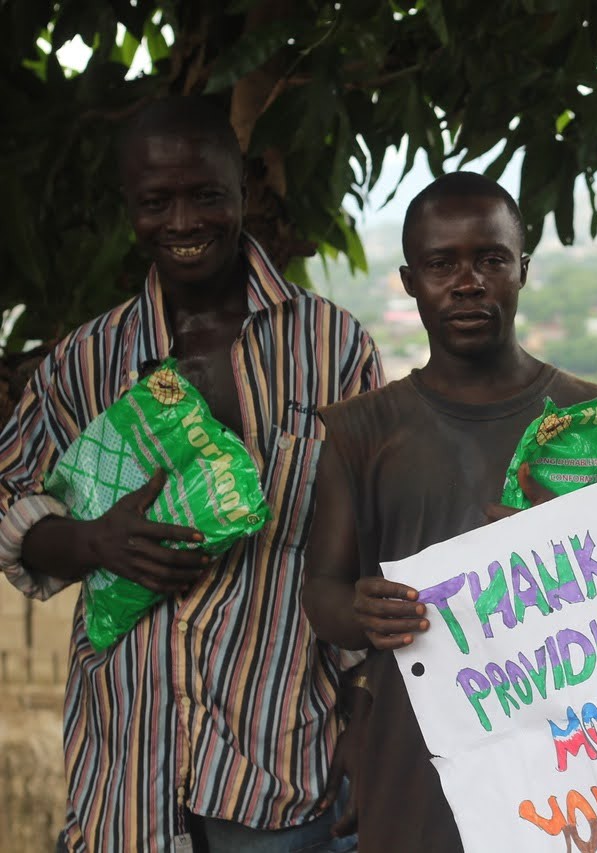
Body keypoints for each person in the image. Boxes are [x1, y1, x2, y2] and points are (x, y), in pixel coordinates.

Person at [0, 98, 381, 852]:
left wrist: (368, 719)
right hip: (126, 778)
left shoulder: (333, 346)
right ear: (128, 206)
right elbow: (11, 500)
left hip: (285, 775)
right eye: (156, 202)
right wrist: (91, 542)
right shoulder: (87, 361)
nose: (182, 222)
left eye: (206, 195)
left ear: (241, 190)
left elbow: (379, 539)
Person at [301, 172, 597, 851]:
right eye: (442, 264)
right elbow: (321, 591)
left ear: (522, 269)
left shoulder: (595, 420)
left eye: (490, 260)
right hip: (417, 758)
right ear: (410, 281)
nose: (468, 283)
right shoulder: (360, 431)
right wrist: (363, 610)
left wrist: (570, 554)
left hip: (571, 753)